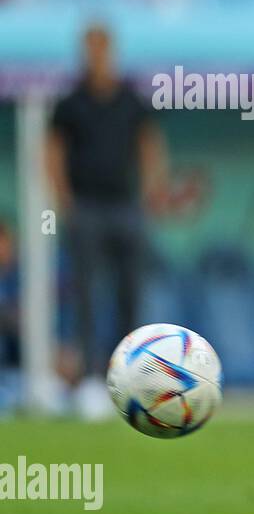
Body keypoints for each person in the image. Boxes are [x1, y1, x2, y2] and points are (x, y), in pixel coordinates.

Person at [47, 24, 168, 418]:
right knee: (84, 296)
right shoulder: (71, 102)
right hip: (87, 207)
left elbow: (149, 144)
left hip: (124, 206)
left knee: (129, 294)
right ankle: (88, 380)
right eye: (90, 49)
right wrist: (64, 200)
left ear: (112, 51)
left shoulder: (130, 100)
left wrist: (151, 191)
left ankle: (129, 377)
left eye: (102, 49)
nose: (96, 57)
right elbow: (53, 152)